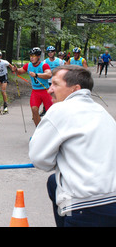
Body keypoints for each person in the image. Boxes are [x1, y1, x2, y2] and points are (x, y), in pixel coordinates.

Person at [29, 65, 116, 227]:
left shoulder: (60, 110)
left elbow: (39, 159)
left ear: (75, 89)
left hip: (85, 206)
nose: (49, 90)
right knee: (53, 183)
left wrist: (61, 160)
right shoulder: (102, 112)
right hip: (112, 202)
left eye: (55, 84)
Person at [11, 47, 52, 126]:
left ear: (38, 57)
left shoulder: (44, 65)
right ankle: (39, 131)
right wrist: (15, 70)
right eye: (31, 56)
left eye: (34, 56)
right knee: (34, 109)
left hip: (45, 91)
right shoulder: (28, 65)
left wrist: (37, 75)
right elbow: (19, 72)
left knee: (50, 112)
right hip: (35, 91)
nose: (32, 58)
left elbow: (49, 74)